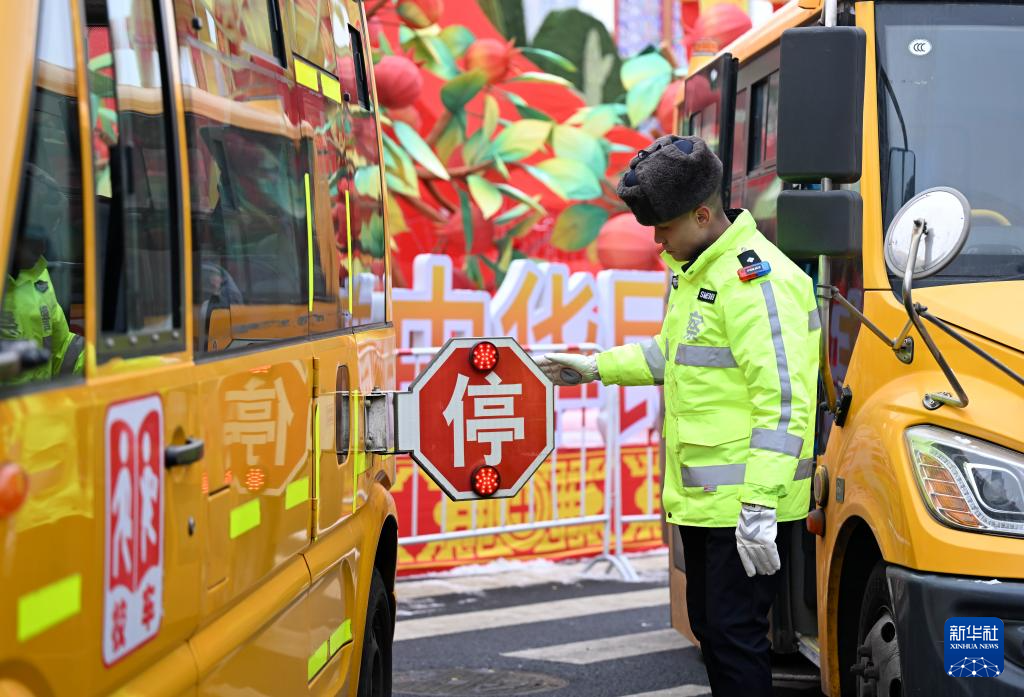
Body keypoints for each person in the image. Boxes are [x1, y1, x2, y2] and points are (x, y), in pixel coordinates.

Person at [537, 135, 819, 696]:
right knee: (713, 632)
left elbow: (785, 400)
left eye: (664, 227)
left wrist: (760, 503)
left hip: (745, 505)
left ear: (702, 215)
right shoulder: (699, 272)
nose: (657, 241)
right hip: (708, 505)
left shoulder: (755, 282)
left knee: (735, 639)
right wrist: (594, 367)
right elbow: (671, 355)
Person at [0, 165, 85, 384]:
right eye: (34, 238)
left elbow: (62, 349)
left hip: (39, 403)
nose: (43, 248)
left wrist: (105, 362)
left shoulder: (39, 275)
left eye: (48, 236)